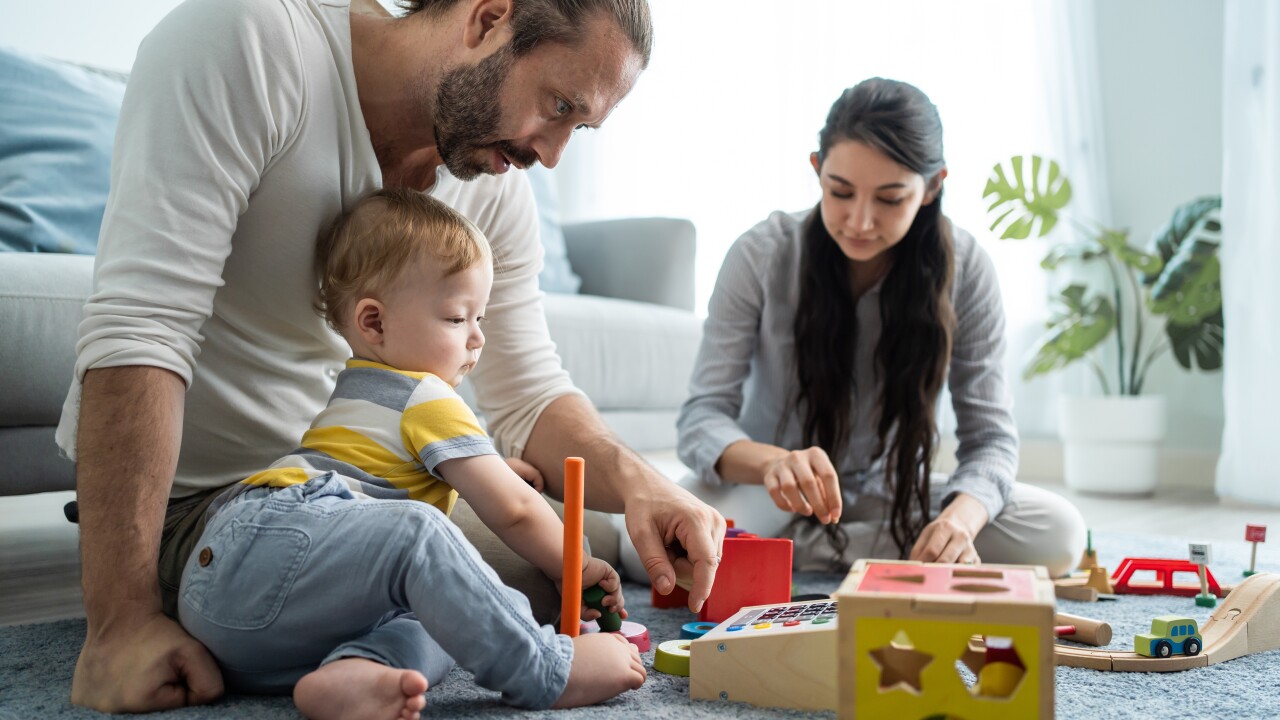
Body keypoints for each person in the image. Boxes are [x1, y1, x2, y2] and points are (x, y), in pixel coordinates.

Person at [56, 0, 723, 713]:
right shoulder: (253, 39)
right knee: (472, 555)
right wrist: (119, 625)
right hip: (209, 516)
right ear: (488, 18)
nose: (552, 153)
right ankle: (538, 669)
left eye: (578, 128)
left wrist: (647, 484)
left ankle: (358, 667)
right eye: (558, 106)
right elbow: (142, 325)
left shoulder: (493, 182)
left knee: (547, 569)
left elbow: (528, 393)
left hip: (359, 503)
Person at [176, 188, 644, 716]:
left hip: (229, 613)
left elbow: (388, 462)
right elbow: (513, 509)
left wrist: (482, 465)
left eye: (481, 318)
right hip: (271, 535)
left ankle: (358, 670)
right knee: (424, 533)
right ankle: (546, 669)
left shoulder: (358, 387)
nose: (477, 339)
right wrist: (573, 564)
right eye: (456, 318)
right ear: (373, 322)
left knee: (444, 614)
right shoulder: (427, 396)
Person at [676, 78, 1086, 578]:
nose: (860, 221)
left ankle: (795, 555)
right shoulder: (760, 253)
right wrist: (772, 463)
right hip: (769, 494)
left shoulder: (969, 267)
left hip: (891, 496)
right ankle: (867, 555)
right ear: (816, 170)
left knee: (1060, 533)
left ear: (933, 186)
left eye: (890, 199)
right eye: (840, 192)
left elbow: (991, 440)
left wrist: (959, 521)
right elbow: (702, 417)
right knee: (652, 547)